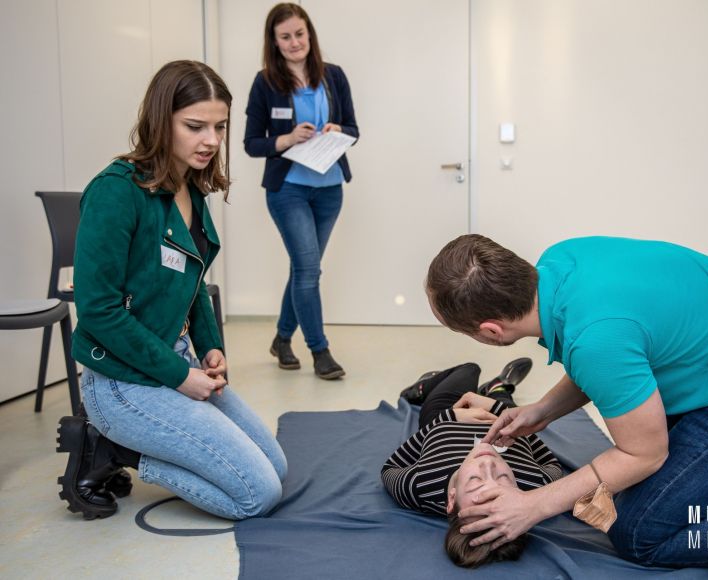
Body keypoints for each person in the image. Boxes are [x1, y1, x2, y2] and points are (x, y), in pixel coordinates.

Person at [425, 234, 708, 573]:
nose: (486, 471)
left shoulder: (596, 338)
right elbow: (613, 355)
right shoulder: (562, 262)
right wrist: (542, 410)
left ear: (490, 332)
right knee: (622, 499)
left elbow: (644, 451)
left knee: (639, 534)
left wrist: (533, 505)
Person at [56, 60, 287, 522]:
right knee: (257, 496)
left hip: (174, 359)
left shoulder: (190, 188)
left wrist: (210, 347)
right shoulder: (116, 191)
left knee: (277, 468)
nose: (212, 141)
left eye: (220, 127)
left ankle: (136, 443)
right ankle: (114, 450)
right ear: (162, 121)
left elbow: (193, 282)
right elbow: (99, 311)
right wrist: (181, 377)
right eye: (195, 126)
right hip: (121, 381)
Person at [244, 3, 359, 380]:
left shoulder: (334, 76)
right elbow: (251, 144)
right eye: (285, 37)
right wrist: (287, 138)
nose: (294, 42)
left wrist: (337, 131)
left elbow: (354, 131)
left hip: (329, 189)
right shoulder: (265, 83)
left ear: (309, 34)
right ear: (274, 42)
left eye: (299, 34)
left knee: (303, 269)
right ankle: (320, 351)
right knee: (309, 270)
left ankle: (281, 338)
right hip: (288, 189)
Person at [381, 358, 564, 568]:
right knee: (506, 402)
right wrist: (503, 415)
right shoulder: (535, 485)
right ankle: (497, 389)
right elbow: (550, 463)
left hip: (446, 416)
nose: (489, 463)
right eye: (503, 477)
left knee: (469, 369)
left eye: (476, 479)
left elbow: (391, 467)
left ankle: (422, 387)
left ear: (451, 498)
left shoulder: (420, 485)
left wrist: (448, 417)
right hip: (503, 418)